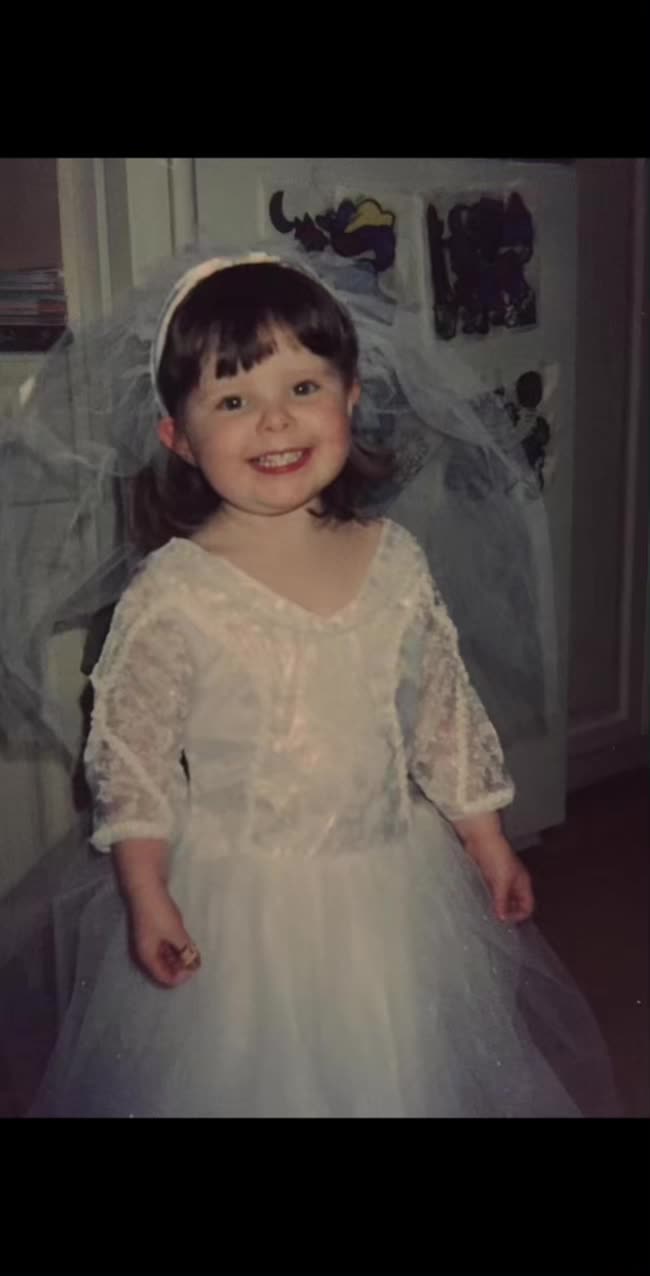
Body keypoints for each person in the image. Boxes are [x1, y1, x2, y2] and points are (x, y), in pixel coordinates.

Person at [2, 250, 618, 1117]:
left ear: (351, 397)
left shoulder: (395, 560)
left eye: (302, 387)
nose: (275, 421)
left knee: (397, 1066)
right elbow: (133, 762)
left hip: (392, 888)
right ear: (178, 438)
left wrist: (487, 840)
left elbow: (441, 714)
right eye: (232, 401)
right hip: (241, 910)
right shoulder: (174, 592)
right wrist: (147, 892)